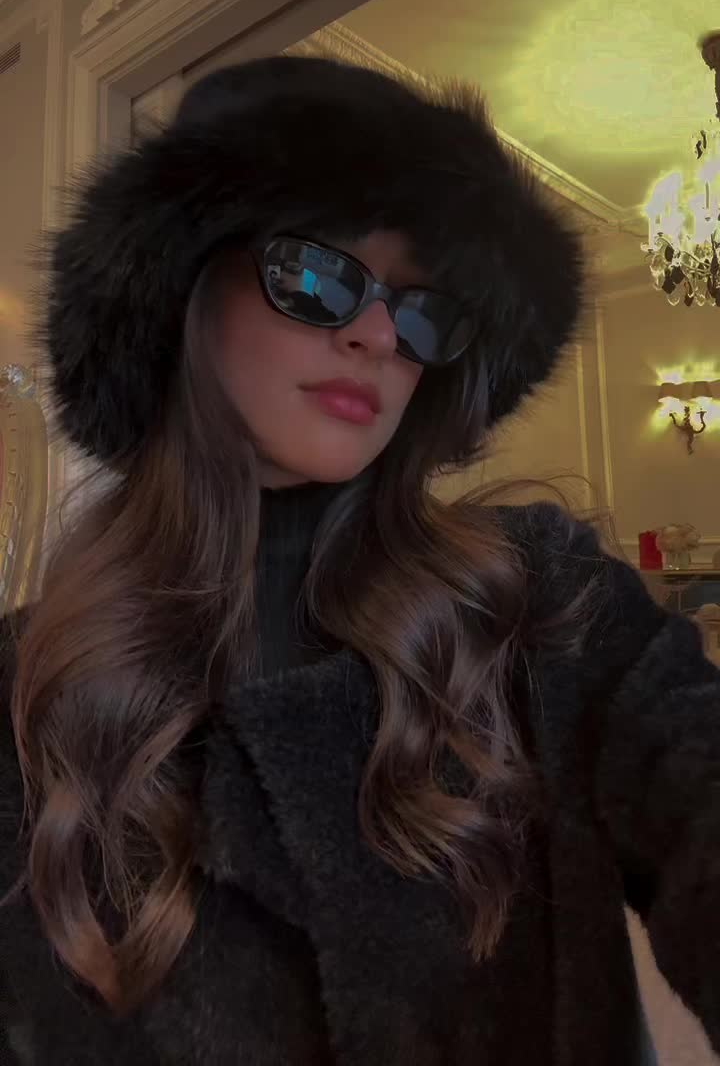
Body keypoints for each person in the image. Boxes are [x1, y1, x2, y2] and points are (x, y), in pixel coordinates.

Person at [0, 55, 718, 1066]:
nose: (380, 335)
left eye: (423, 311)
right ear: (183, 292)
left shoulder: (542, 601)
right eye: (316, 273)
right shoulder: (23, 689)